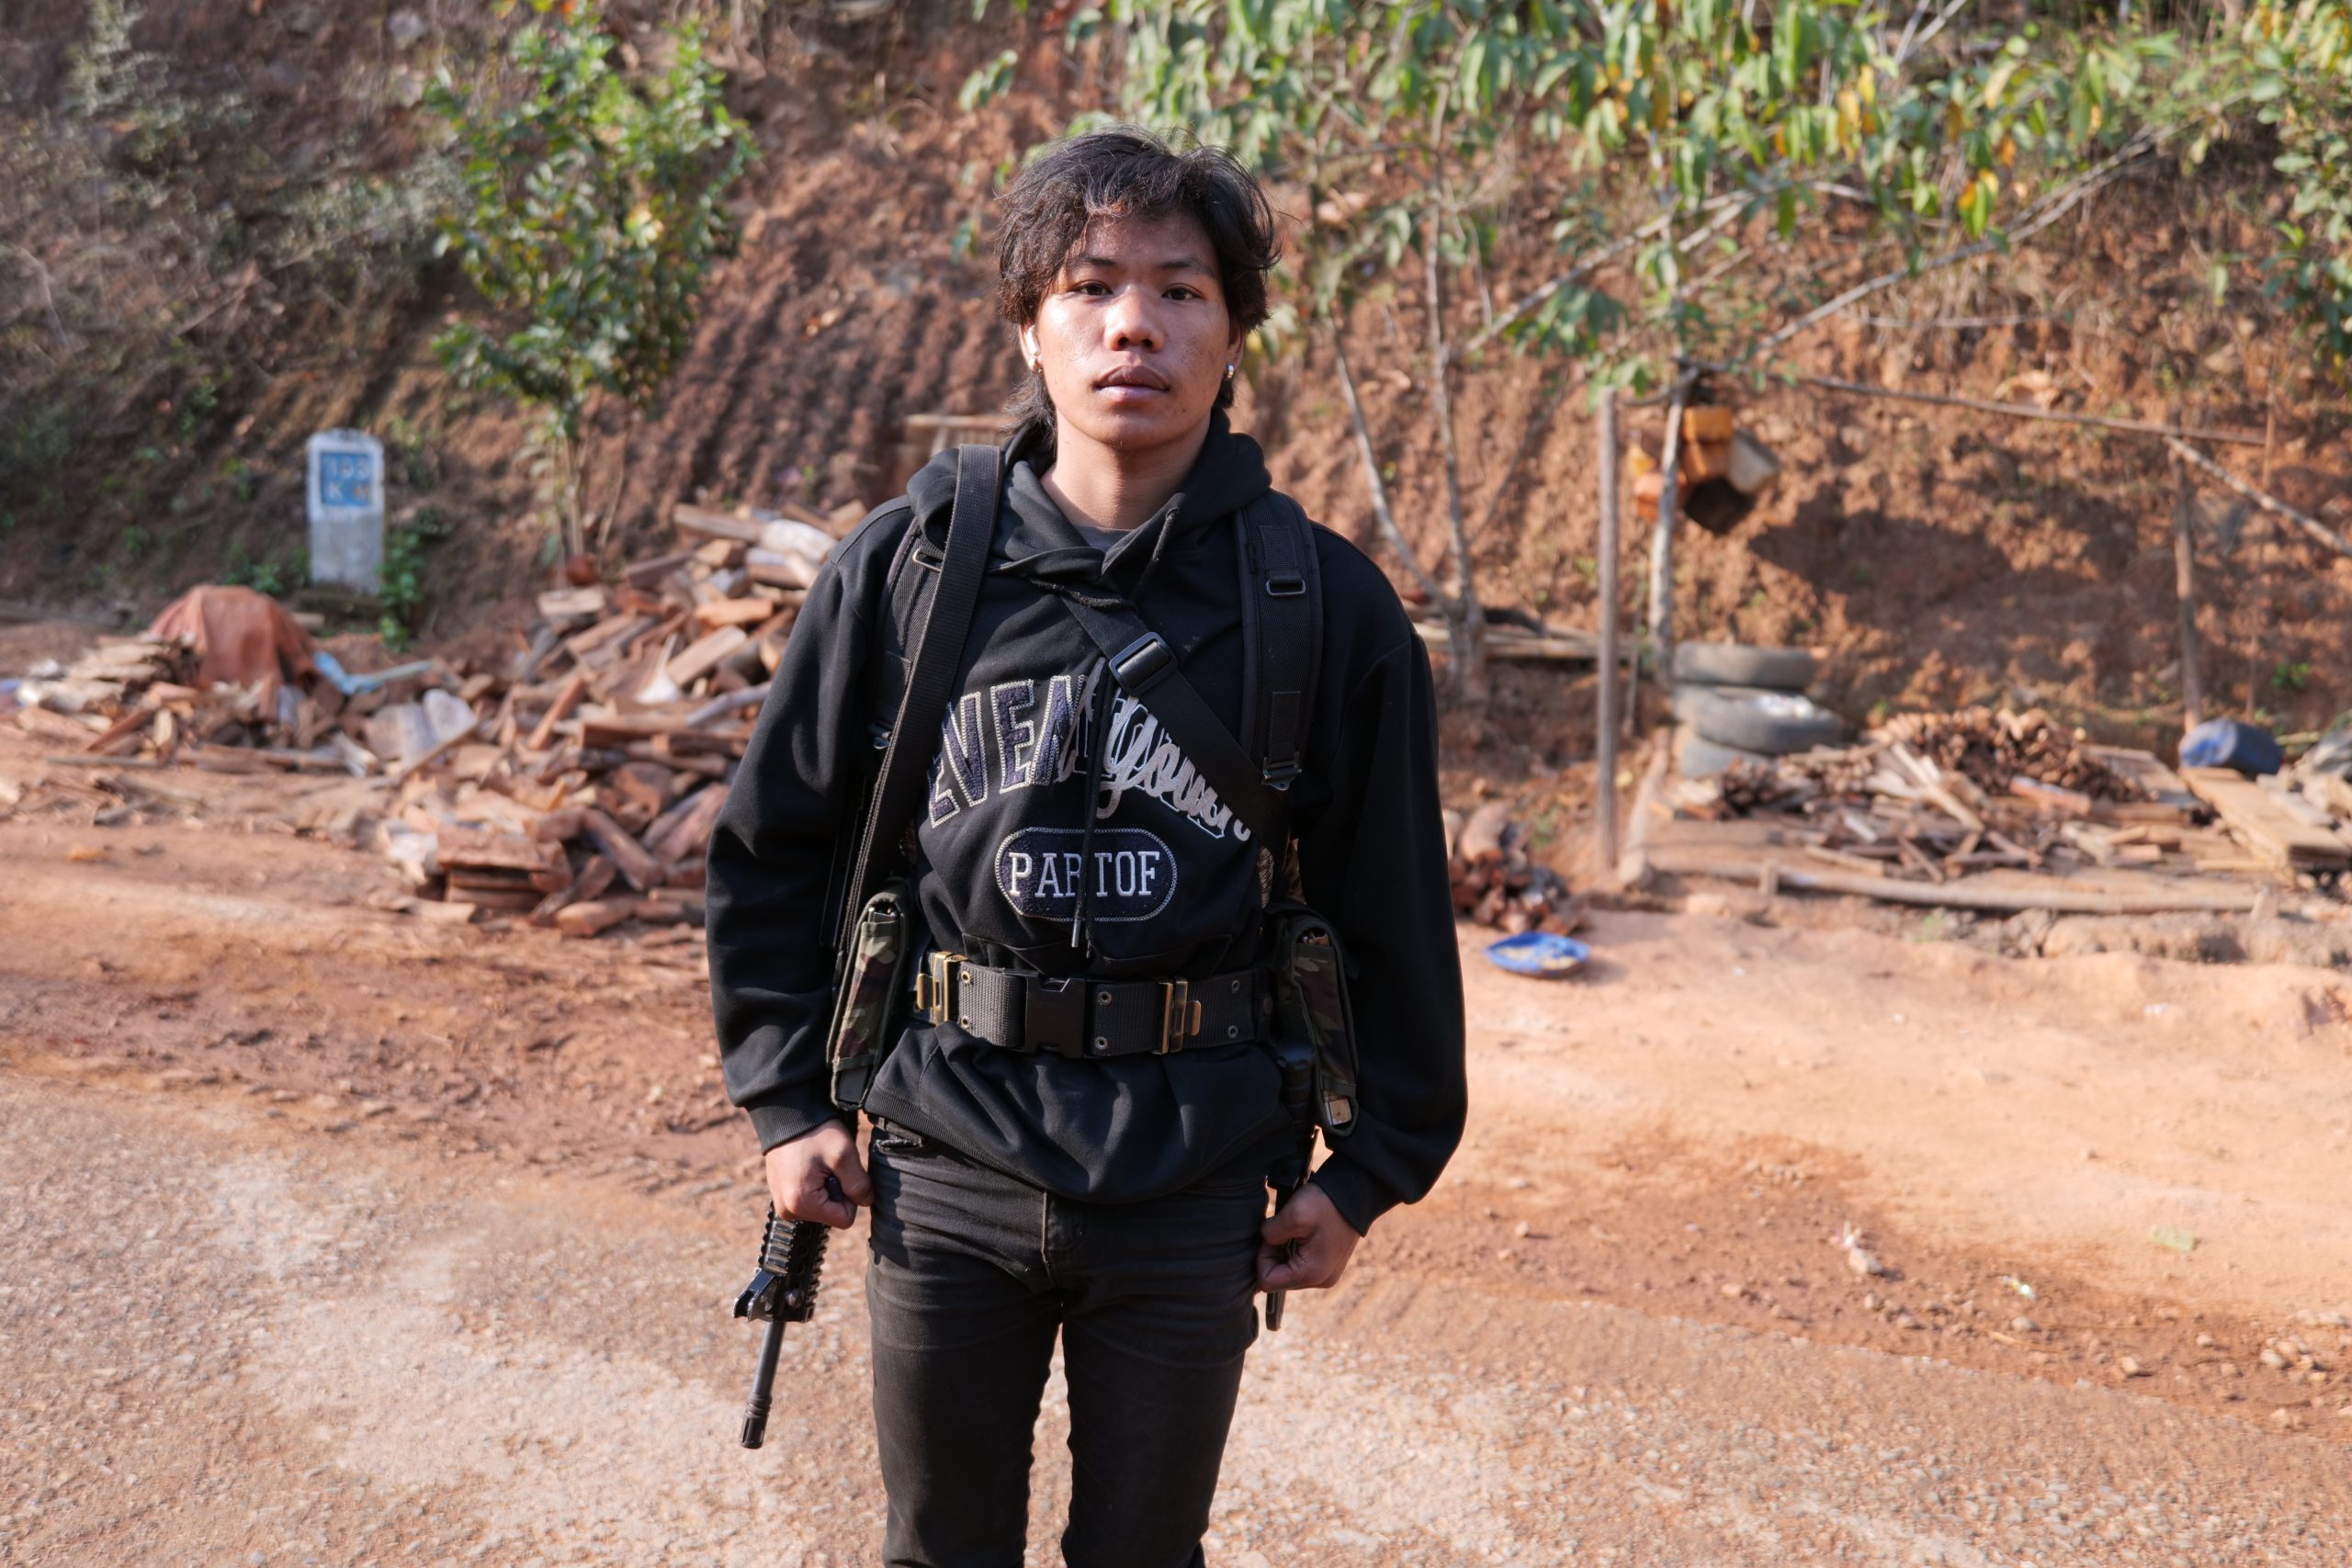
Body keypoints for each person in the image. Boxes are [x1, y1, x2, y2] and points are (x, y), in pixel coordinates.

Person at [706, 126, 1464, 1568]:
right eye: (1090, 285)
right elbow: (775, 847)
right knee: (940, 1548)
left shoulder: (1323, 606)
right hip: (945, 1153)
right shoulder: (909, 575)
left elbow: (1392, 911)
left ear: (1232, 329)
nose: (1135, 324)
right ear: (1030, 323)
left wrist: (1367, 1171)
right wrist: (787, 1100)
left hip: (1192, 1174)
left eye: (1182, 289)